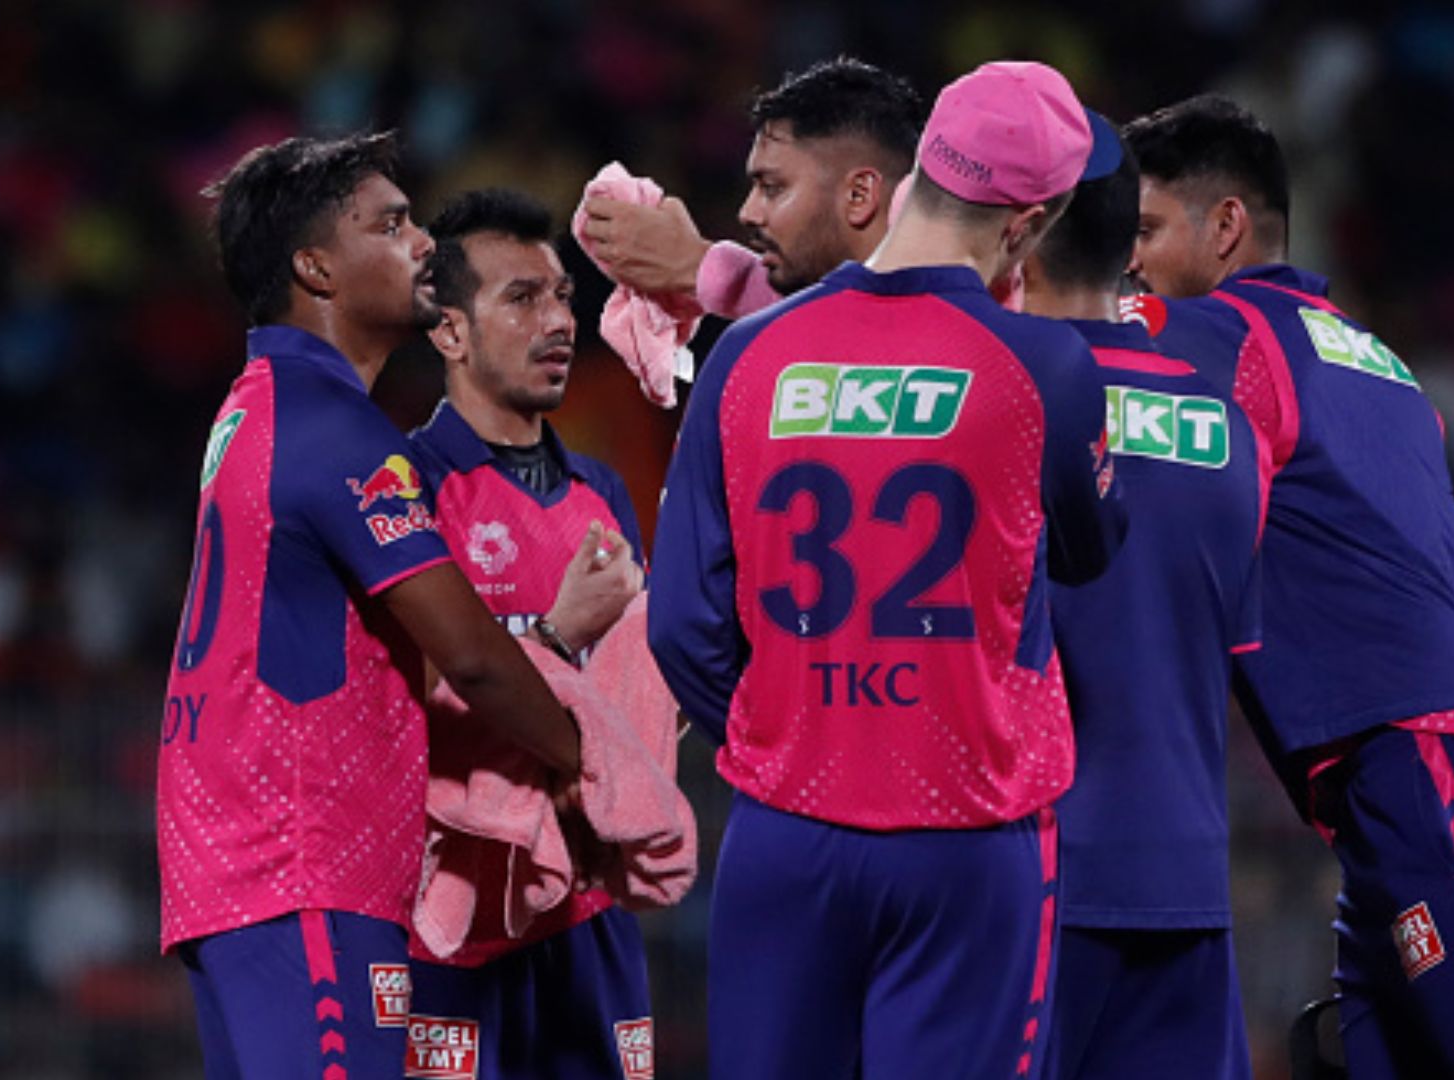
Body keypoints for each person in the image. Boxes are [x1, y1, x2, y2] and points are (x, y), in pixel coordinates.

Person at [647, 60, 1126, 1079]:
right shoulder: (1045, 369)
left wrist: (798, 724)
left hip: (785, 830)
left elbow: (681, 620)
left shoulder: (746, 356)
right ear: (1031, 217)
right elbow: (1089, 554)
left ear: (918, 171)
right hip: (967, 831)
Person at [1126, 95, 1454, 1080]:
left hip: (1430, 762)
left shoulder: (1222, 332)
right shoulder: (1373, 356)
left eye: (1141, 230)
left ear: (1225, 227)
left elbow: (1059, 341)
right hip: (1413, 772)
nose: (1124, 260)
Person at [160, 132, 583, 1080]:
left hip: (246, 872)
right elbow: (468, 653)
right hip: (304, 864)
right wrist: (588, 760)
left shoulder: (254, 408)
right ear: (316, 268)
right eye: (390, 225)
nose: (425, 241)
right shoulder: (339, 431)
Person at [1018, 137, 1261, 1079]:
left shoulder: (1004, 392)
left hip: (1039, 874)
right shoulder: (1227, 420)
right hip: (1189, 872)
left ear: (1019, 232)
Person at [401, 187, 652, 1080]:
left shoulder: (603, 494)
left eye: (563, 297)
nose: (558, 321)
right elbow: (415, 700)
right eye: (521, 298)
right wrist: (552, 634)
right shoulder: (403, 490)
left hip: (589, 912)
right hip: (455, 919)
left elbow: (645, 703)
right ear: (449, 331)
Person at [578, 56, 924, 316]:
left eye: (772, 188)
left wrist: (700, 266)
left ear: (859, 194)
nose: (747, 213)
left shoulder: (970, 319)